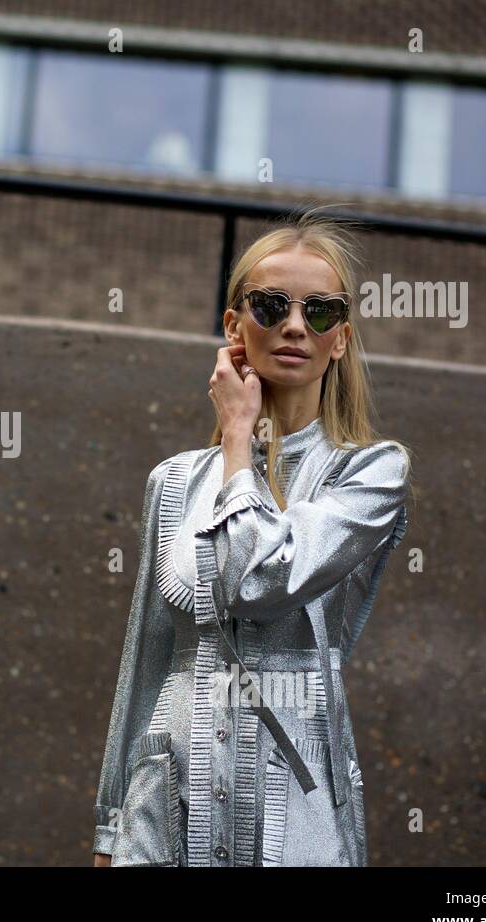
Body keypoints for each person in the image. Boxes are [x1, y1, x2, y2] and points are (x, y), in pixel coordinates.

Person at [92, 211, 412, 867]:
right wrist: (109, 826)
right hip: (167, 801)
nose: (296, 326)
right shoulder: (175, 481)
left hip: (294, 804)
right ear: (234, 327)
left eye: (320, 312)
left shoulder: (371, 473)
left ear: (341, 339)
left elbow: (263, 579)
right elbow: (147, 663)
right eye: (271, 306)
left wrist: (239, 439)